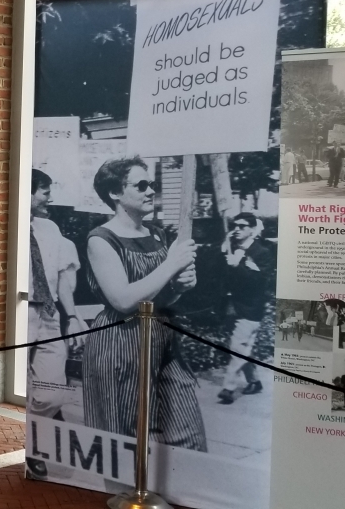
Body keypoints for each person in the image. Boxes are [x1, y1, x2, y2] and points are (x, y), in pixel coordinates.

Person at [83, 157, 205, 451]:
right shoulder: (101, 240)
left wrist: (180, 286)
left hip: (162, 341)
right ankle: (125, 495)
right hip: (120, 346)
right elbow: (123, 300)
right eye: (141, 185)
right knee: (125, 437)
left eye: (151, 184)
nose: (151, 190)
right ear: (115, 193)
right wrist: (171, 264)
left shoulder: (157, 234)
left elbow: (161, 296)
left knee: (186, 435)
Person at [26, 169, 86, 425]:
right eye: (45, 192)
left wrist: (72, 316)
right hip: (20, 312)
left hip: (49, 314)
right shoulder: (5, 226)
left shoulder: (50, 229)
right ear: (27, 192)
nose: (49, 198)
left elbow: (62, 276)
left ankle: (32, 427)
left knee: (52, 394)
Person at [218, 212, 276, 404]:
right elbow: (224, 274)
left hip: (251, 308)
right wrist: (227, 252)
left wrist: (239, 264)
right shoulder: (233, 248)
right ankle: (254, 381)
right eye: (235, 225)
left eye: (242, 226)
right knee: (243, 346)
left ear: (252, 229)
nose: (237, 229)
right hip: (232, 306)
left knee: (237, 346)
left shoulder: (262, 252)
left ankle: (228, 388)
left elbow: (258, 282)